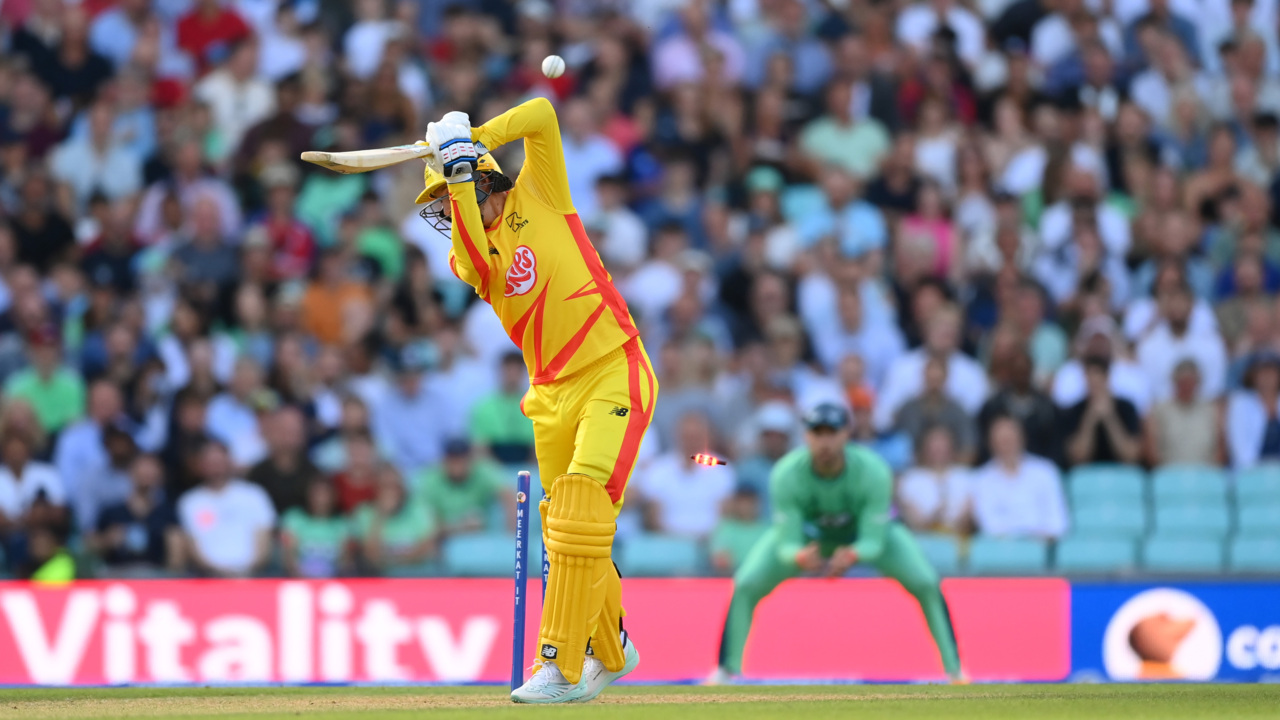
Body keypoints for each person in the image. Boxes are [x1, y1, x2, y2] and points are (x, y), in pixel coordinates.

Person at [415, 98, 654, 702]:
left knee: (577, 509)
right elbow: (472, 255)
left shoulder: (541, 192)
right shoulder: (469, 258)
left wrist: (474, 137)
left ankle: (561, 665)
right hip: (549, 394)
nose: (445, 210)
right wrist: (457, 172)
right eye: (443, 201)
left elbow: (544, 114)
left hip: (612, 368)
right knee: (566, 532)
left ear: (485, 175)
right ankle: (611, 646)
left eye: (446, 198)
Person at [710, 403, 963, 684]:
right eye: (817, 433)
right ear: (806, 437)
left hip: (863, 537)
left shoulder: (873, 471)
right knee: (746, 583)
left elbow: (873, 542)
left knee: (926, 582)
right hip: (811, 539)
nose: (825, 442)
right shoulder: (787, 474)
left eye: (832, 433)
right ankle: (728, 671)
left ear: (846, 435)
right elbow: (786, 543)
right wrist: (799, 556)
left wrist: (854, 554)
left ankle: (955, 671)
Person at [177, 440, 276, 578]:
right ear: (200, 465)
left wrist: (246, 572)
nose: (216, 467)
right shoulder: (189, 502)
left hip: (251, 578)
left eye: (219, 461)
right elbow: (193, 547)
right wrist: (219, 573)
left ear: (230, 461)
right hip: (207, 579)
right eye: (210, 462)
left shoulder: (254, 495)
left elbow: (264, 542)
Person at [965, 416, 1069, 539]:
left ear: (1022, 438)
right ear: (991, 444)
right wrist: (1025, 536)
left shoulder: (1046, 471)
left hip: (1043, 550)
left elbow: (1059, 522)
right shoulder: (981, 479)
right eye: (1001, 441)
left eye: (1010, 439)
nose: (1006, 446)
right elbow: (990, 526)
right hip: (1000, 553)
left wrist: (1034, 538)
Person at [1064, 356, 1143, 466]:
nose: (1093, 385)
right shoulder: (1075, 410)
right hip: (1087, 476)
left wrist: (1110, 417)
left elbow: (1130, 456)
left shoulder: (1127, 408)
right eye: (1089, 379)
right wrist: (1090, 419)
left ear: (1107, 378)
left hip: (1122, 474)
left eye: (1098, 380)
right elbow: (1078, 457)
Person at [1144, 360, 1224, 466]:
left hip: (1205, 476)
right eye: (1183, 382)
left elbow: (1220, 451)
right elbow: (1152, 453)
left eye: (1191, 382)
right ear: (1174, 382)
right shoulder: (1159, 411)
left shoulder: (1212, 410)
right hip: (1168, 476)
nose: (1187, 387)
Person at [897, 426, 972, 534]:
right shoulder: (910, 479)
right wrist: (933, 520)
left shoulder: (966, 477)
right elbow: (913, 522)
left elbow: (969, 518)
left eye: (942, 441)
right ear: (923, 446)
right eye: (933, 441)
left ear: (952, 445)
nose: (938, 447)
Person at [280, 477, 352, 579]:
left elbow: (345, 561)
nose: (320, 498)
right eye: (316, 493)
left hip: (333, 582)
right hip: (299, 581)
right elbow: (289, 556)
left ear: (334, 496)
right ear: (308, 495)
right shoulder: (294, 518)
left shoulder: (343, 523)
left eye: (325, 493)